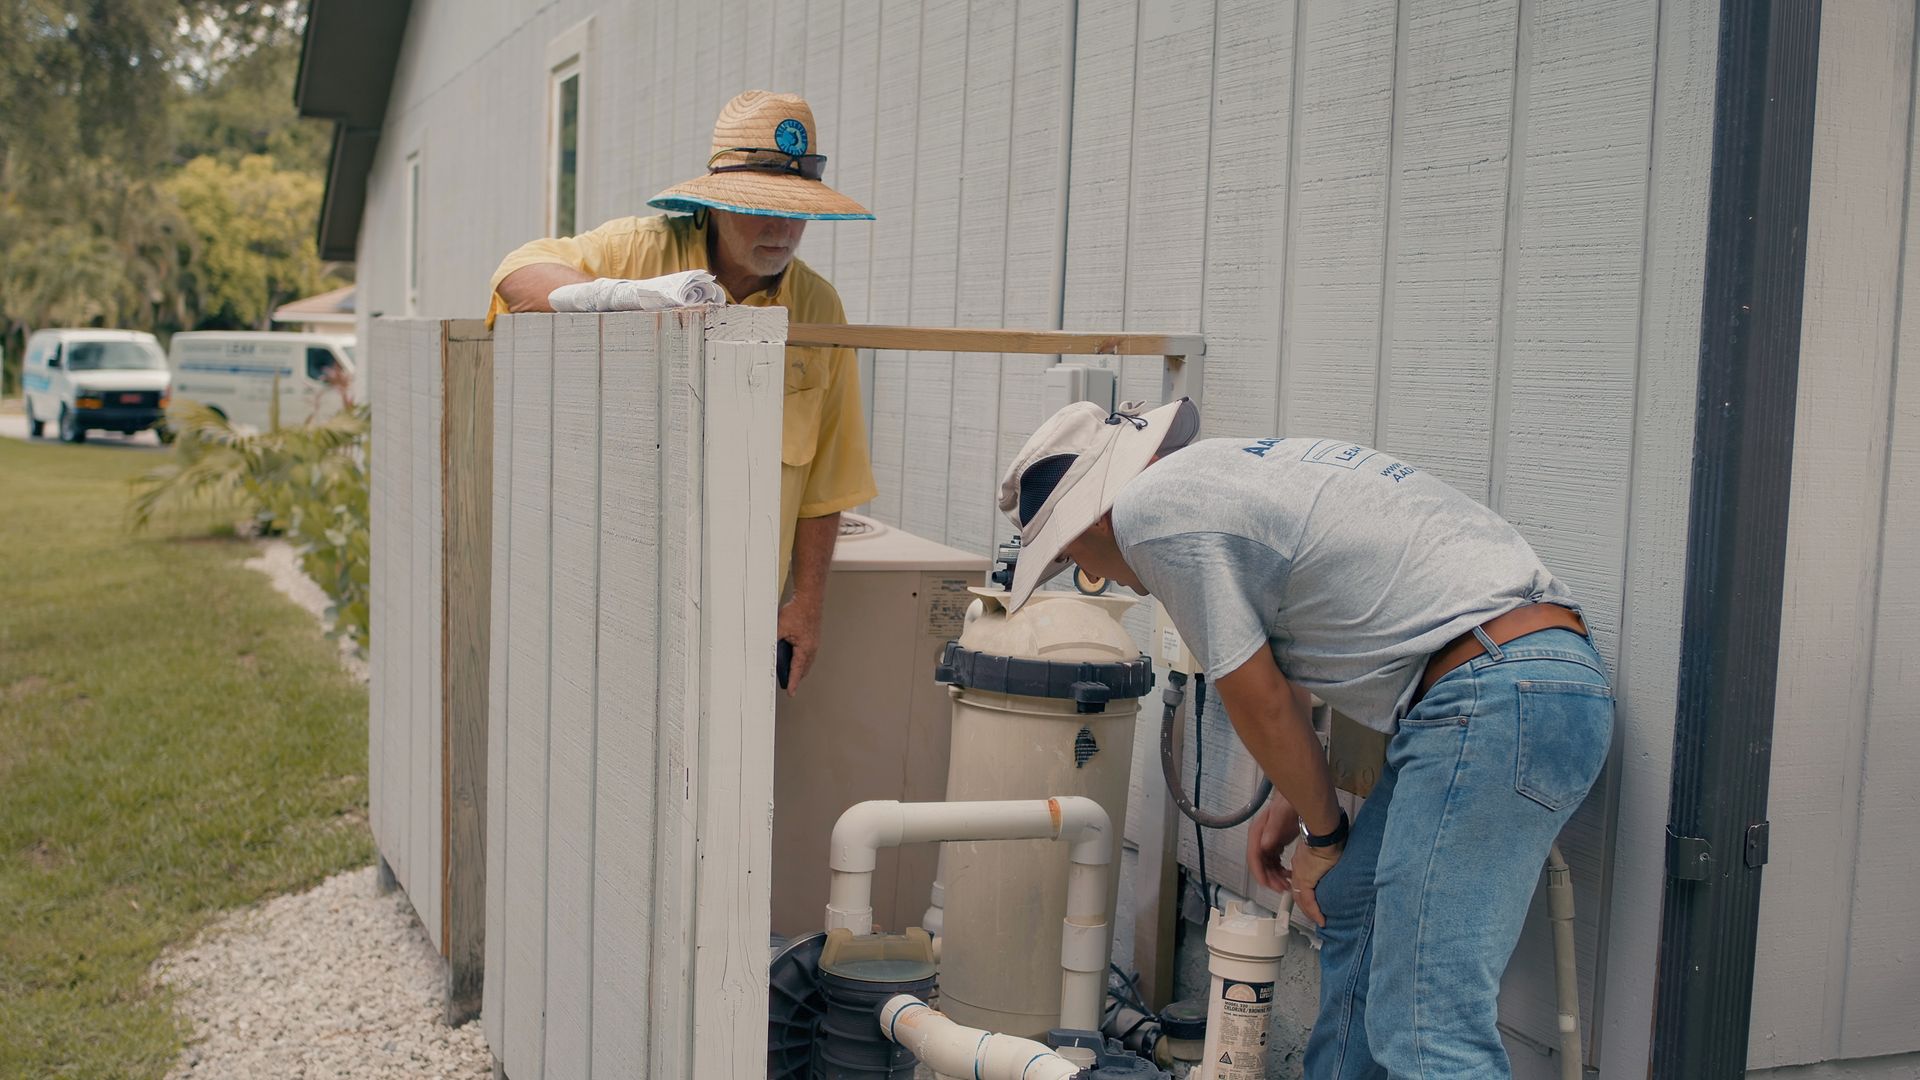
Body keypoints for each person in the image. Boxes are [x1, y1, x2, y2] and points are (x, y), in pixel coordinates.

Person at [998, 399, 1614, 1079]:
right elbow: (1281, 669)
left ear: (1095, 513)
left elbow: (1254, 695)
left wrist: (1324, 836)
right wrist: (1297, 800)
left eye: (1071, 554)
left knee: (1429, 1025)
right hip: (1513, 682)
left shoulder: (1150, 512)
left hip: (1491, 698)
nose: (1099, 576)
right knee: (1355, 905)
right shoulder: (1221, 474)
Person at [489, 90, 878, 693]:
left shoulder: (819, 308)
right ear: (716, 203)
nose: (780, 229)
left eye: (795, 209)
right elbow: (518, 274)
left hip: (742, 606)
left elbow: (826, 482)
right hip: (614, 595)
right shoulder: (643, 251)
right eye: (759, 207)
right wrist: (622, 298)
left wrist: (807, 604)